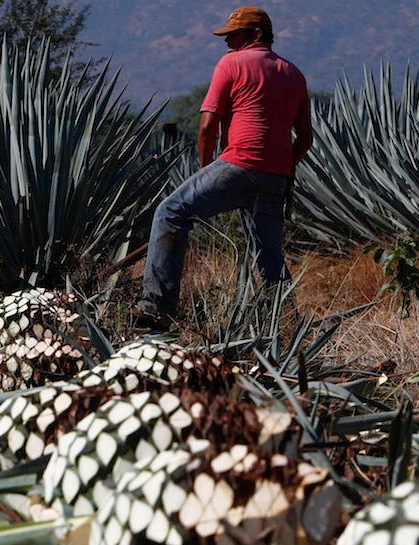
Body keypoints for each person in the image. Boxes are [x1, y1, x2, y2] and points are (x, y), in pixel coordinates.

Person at [132, 5, 313, 329]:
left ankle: (156, 308)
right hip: (275, 178)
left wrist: (205, 169)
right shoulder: (295, 74)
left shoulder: (232, 64)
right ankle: (285, 325)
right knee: (269, 255)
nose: (227, 43)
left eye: (234, 36)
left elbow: (207, 127)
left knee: (170, 213)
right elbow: (305, 139)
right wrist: (280, 167)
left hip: (237, 163)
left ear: (256, 34)